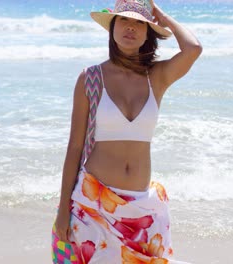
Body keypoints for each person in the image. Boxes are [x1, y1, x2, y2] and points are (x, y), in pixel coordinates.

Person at [52, 0, 202, 263]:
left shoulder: (156, 77)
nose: (130, 28)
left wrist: (162, 17)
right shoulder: (90, 78)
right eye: (123, 20)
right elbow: (75, 147)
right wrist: (63, 209)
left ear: (148, 33)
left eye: (139, 23)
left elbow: (193, 48)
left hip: (142, 211)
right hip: (93, 204)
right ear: (112, 27)